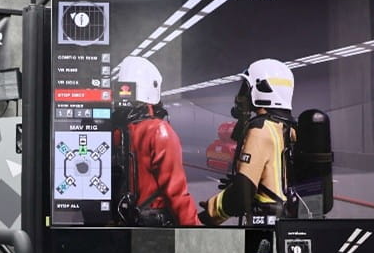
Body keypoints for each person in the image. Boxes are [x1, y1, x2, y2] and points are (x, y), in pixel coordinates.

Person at [200, 58, 296, 226]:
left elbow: (241, 196)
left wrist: (209, 213)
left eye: (246, 88)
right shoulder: (286, 128)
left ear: (262, 89)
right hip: (286, 220)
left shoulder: (260, 130)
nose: (241, 95)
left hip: (265, 224)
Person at [111, 57, 200, 226]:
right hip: (153, 230)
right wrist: (194, 231)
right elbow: (177, 194)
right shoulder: (159, 131)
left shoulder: (115, 131)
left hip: (121, 224)